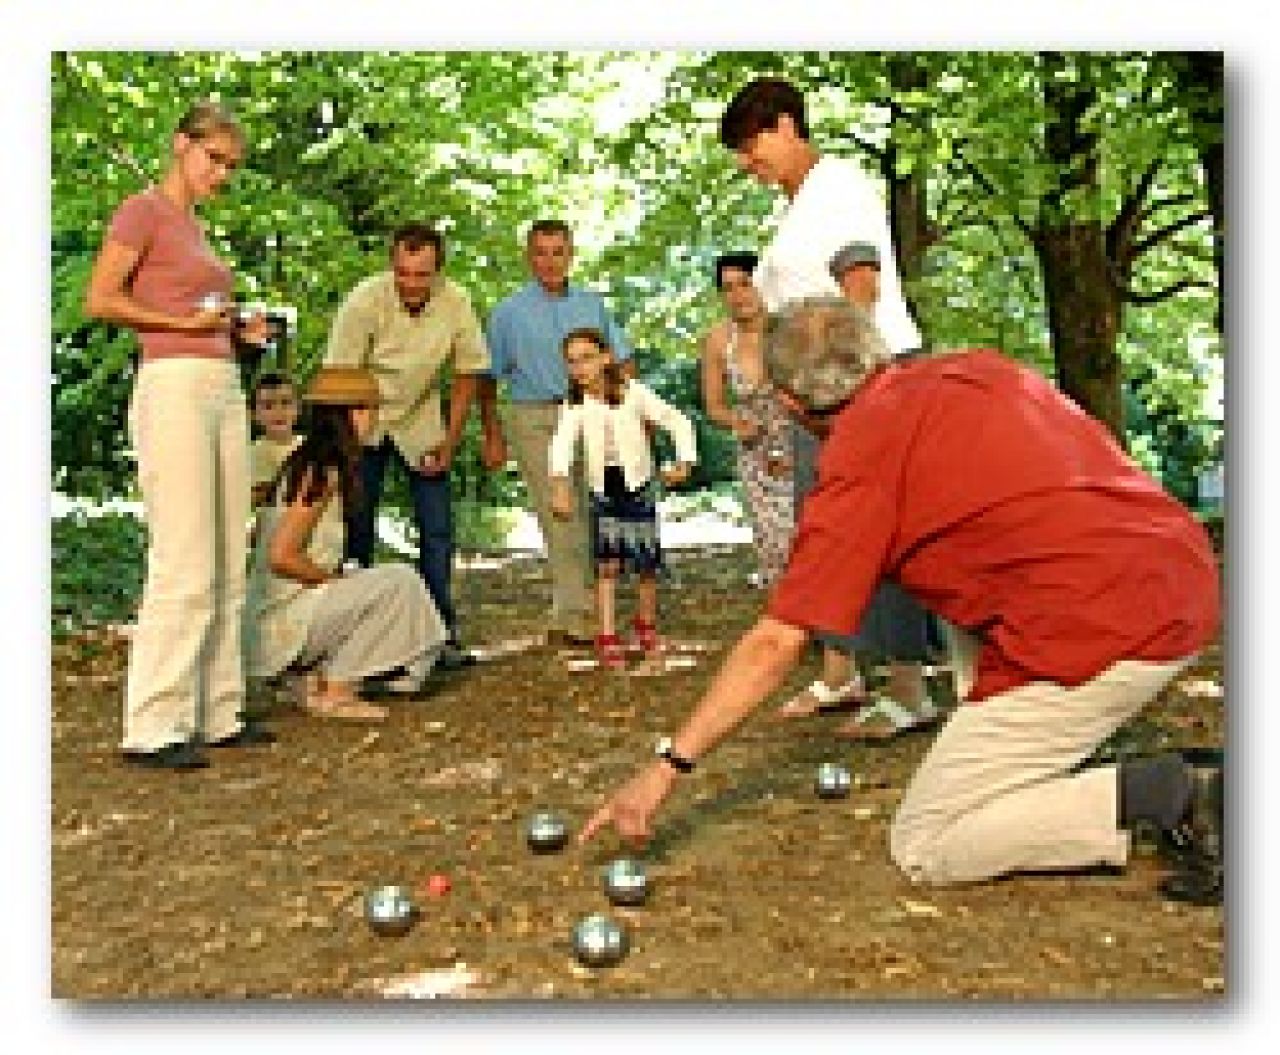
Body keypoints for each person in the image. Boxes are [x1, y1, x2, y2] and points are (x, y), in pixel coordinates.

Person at [580, 297, 1223, 907]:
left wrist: (668, 767)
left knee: (927, 842)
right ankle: (1020, 754)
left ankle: (1181, 793)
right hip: (1181, 569)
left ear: (787, 402)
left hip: (1114, 626)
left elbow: (777, 642)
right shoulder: (980, 369)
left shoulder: (858, 473)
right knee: (949, 562)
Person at [719, 76, 936, 739]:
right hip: (815, 393)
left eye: (754, 152)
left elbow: (861, 288)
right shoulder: (798, 207)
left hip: (860, 384)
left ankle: (908, 686)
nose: (750, 168)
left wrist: (846, 387)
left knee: (876, 530)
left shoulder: (837, 188)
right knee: (827, 530)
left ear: (787, 125)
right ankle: (842, 671)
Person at [85, 99, 274, 771]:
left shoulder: (196, 229)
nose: (220, 172)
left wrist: (235, 329)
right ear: (180, 144)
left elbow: (194, 311)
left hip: (222, 384)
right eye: (212, 157)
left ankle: (218, 710)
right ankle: (154, 722)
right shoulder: (144, 211)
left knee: (230, 552)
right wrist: (184, 326)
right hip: (173, 388)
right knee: (185, 555)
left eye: (230, 164)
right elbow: (100, 297)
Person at [324, 223, 495, 669]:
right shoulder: (364, 302)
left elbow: (467, 375)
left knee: (437, 528)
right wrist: (348, 448)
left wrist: (451, 440)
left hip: (421, 418)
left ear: (438, 272)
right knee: (357, 523)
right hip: (366, 414)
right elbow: (340, 380)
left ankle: (438, 633)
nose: (412, 284)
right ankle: (355, 639)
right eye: (404, 273)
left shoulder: (455, 302)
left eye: (423, 275)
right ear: (391, 266)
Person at [245, 366, 447, 720]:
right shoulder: (318, 469)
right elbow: (282, 556)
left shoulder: (319, 462)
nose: (374, 419)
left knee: (392, 583)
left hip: (293, 609)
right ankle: (337, 688)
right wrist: (332, 582)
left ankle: (315, 678)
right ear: (350, 414)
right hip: (282, 618)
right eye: (369, 409)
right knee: (400, 582)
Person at [479, 220, 636, 647]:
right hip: (534, 416)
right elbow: (486, 378)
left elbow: (622, 361)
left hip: (592, 411)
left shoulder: (592, 304)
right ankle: (576, 611)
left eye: (558, 251)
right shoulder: (508, 313)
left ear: (571, 255)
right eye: (541, 252)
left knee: (597, 505)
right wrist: (492, 435)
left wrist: (628, 412)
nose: (549, 261)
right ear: (529, 257)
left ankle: (592, 602)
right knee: (559, 511)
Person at [549, 328, 697, 670]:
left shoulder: (632, 392)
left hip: (638, 485)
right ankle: (607, 633)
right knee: (607, 564)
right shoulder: (574, 404)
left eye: (587, 358)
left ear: (606, 357)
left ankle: (645, 624)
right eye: (572, 362)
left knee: (645, 563)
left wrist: (684, 460)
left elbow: (674, 419)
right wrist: (559, 484)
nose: (580, 368)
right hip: (604, 488)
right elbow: (562, 443)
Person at [699, 252, 794, 588]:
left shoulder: (790, 329)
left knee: (812, 542)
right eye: (728, 289)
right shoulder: (717, 341)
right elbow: (714, 405)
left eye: (745, 284)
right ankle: (788, 628)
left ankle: (828, 633)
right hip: (756, 452)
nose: (739, 295)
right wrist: (738, 424)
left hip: (801, 442)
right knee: (774, 546)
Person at [249, 371, 301, 509]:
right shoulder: (256, 452)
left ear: (297, 409)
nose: (278, 411)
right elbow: (255, 495)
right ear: (254, 414)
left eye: (286, 403)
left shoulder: (309, 445)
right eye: (268, 406)